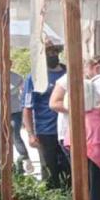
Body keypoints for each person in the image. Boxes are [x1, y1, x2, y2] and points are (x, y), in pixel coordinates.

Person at [49, 51, 100, 200]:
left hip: (78, 132)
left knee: (83, 180)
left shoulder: (91, 82)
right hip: (91, 134)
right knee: (95, 181)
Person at [22, 45, 68, 188]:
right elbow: (27, 108)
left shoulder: (68, 73)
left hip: (68, 129)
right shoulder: (35, 77)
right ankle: (53, 199)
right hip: (46, 130)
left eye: (54, 52)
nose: (52, 55)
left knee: (69, 168)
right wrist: (30, 133)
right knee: (50, 169)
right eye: (48, 52)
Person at [0, 56, 31, 174]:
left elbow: (24, 94)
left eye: (4, 62)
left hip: (14, 111)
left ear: (10, 63)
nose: (1, 65)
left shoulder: (17, 77)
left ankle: (24, 160)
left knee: (14, 135)